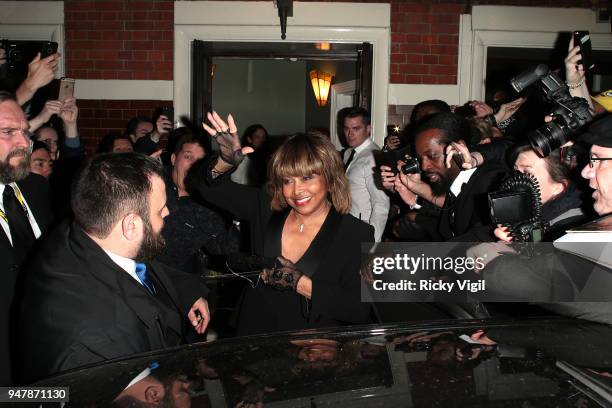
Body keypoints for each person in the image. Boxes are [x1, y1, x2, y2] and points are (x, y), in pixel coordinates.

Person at [17, 153, 210, 383]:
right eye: (160, 210)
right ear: (130, 226)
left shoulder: (75, 233)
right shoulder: (102, 341)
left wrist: (185, 290)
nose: (167, 212)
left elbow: (137, 265)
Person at [189, 111, 374, 335]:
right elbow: (205, 187)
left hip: (311, 349)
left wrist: (300, 283)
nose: (296, 191)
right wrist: (224, 162)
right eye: (287, 180)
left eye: (307, 178)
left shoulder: (355, 233)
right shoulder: (266, 208)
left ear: (330, 176)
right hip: (254, 338)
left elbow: (357, 309)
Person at [0, 91, 53, 386]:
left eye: (25, 131)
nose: (23, 143)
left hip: (43, 363)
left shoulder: (37, 189)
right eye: (8, 132)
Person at [157, 132, 239, 273]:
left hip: (178, 281)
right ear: (173, 159)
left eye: (200, 161)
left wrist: (237, 223)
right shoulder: (154, 184)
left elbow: (221, 248)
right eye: (188, 156)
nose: (193, 165)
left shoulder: (209, 202)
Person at [342, 107, 389, 242]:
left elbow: (381, 204)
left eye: (356, 128)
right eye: (346, 129)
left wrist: (372, 243)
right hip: (347, 225)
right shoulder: (349, 153)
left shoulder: (373, 157)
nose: (350, 134)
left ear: (368, 129)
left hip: (363, 230)